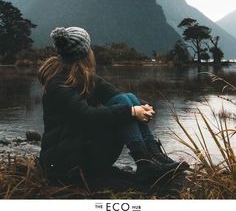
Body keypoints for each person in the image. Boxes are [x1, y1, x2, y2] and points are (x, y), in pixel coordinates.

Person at [39, 26, 188, 184]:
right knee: (125, 108)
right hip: (64, 164)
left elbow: (116, 94)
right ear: (84, 54)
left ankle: (154, 157)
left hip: (76, 151)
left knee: (128, 97)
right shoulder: (58, 84)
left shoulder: (83, 77)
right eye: (89, 48)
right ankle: (145, 161)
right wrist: (131, 111)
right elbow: (86, 116)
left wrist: (142, 106)